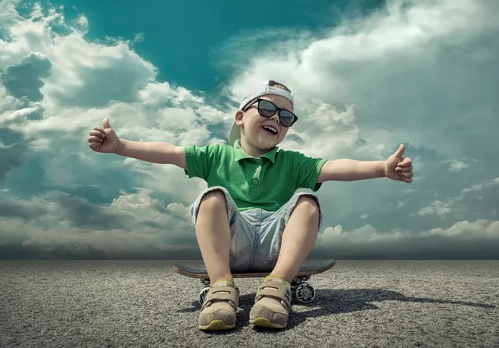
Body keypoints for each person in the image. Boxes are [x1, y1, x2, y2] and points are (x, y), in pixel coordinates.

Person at [87, 80, 414, 331]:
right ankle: (221, 288)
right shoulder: (216, 155)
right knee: (212, 196)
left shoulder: (293, 162)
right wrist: (120, 146)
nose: (278, 119)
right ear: (241, 116)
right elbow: (169, 152)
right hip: (231, 244)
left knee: (308, 201)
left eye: (286, 117)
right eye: (268, 109)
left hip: (276, 247)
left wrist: (381, 169)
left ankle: (277, 287)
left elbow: (336, 167)